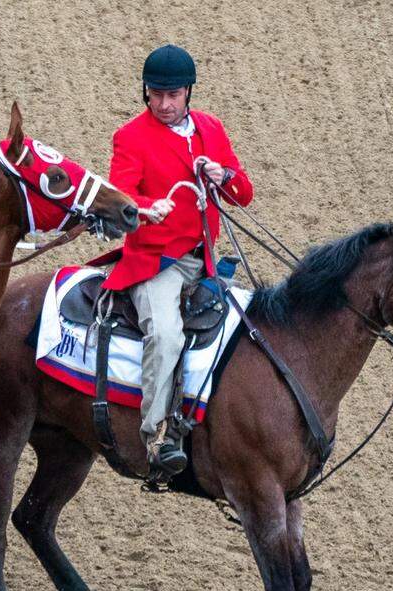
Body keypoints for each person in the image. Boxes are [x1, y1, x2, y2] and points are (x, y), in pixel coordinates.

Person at [102, 44, 254, 475]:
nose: (164, 105)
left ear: (189, 92)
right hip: (156, 262)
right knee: (166, 335)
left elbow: (243, 194)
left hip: (204, 258)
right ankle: (153, 435)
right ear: (145, 93)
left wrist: (224, 177)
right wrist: (149, 208)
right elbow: (120, 196)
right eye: (156, 95)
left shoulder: (211, 129)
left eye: (173, 96)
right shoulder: (129, 136)